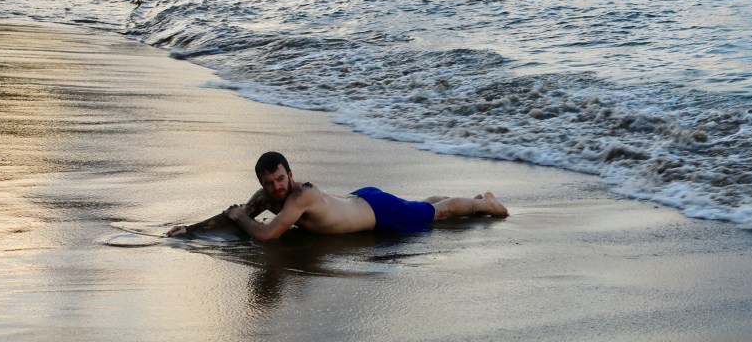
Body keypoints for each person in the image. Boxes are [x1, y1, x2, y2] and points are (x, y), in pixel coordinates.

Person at [165, 151, 509, 240]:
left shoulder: (299, 196)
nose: (276, 188)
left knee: (438, 213)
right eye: (269, 183)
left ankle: (487, 204)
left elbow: (267, 233)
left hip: (376, 212)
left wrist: (241, 217)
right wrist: (191, 230)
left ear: (290, 175)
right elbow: (233, 213)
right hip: (360, 200)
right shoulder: (267, 196)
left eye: (281, 179)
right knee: (420, 205)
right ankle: (475, 201)